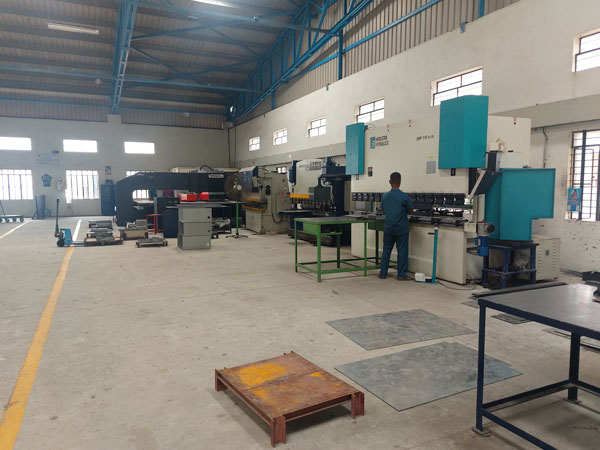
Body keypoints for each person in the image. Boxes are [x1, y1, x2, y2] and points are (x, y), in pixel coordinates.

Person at [379, 172, 413, 280]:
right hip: (401, 228)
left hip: (388, 228)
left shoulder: (385, 196)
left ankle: (383, 273)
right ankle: (401, 274)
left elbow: (383, 209)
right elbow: (411, 211)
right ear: (400, 182)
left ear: (390, 182)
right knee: (402, 251)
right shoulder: (404, 196)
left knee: (386, 250)